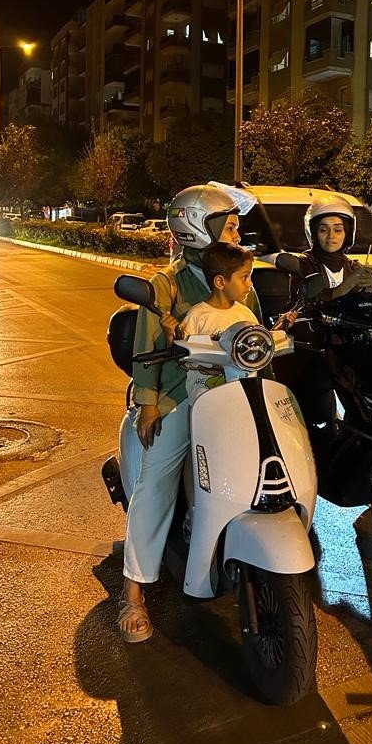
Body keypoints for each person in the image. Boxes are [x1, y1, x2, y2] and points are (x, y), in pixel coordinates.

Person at [118, 185, 264, 643]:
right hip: (181, 396)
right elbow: (147, 348)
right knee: (155, 480)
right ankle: (134, 591)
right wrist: (148, 404)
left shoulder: (243, 280)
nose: (238, 231)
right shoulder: (168, 285)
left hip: (234, 395)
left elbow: (254, 340)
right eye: (230, 224)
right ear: (197, 226)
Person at [283, 195, 372, 428]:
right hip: (313, 352)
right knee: (317, 419)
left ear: (348, 233)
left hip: (347, 350)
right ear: (313, 232)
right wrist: (348, 284)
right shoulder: (304, 263)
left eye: (338, 229)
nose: (331, 236)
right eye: (324, 229)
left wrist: (371, 286)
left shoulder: (353, 266)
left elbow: (365, 308)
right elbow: (313, 299)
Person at [180, 242, 260, 404]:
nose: (250, 284)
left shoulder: (245, 315)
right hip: (203, 402)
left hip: (241, 400)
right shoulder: (197, 316)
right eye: (244, 277)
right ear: (220, 282)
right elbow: (184, 358)